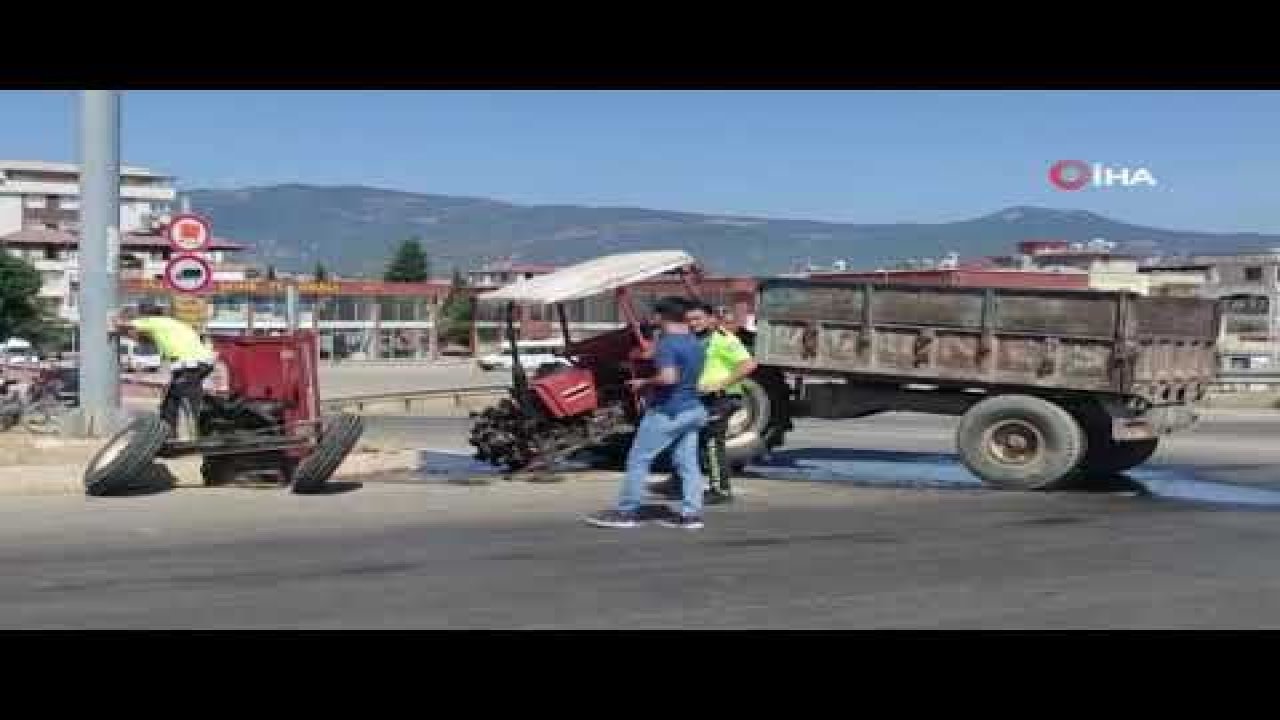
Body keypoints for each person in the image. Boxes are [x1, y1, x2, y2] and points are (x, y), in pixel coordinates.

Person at [585, 296, 709, 530]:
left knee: (639, 460)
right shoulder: (695, 342)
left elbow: (669, 378)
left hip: (668, 411)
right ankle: (691, 515)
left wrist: (644, 382)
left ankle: (627, 511)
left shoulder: (668, 344)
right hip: (693, 409)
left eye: (655, 316)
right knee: (688, 463)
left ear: (661, 317)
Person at [650, 302, 758, 504]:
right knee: (683, 438)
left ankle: (721, 490)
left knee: (711, 442)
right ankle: (678, 481)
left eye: (698, 319)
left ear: (711, 319)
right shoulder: (690, 340)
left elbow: (749, 364)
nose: (693, 323)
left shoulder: (723, 339)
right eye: (689, 319)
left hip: (721, 398)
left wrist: (720, 384)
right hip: (695, 398)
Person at [114, 304, 216, 437]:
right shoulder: (170, 324)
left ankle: (201, 434)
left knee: (189, 401)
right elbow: (148, 340)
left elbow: (125, 325)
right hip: (197, 364)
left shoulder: (153, 321)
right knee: (172, 401)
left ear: (145, 316)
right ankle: (170, 434)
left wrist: (114, 321)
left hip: (191, 364)